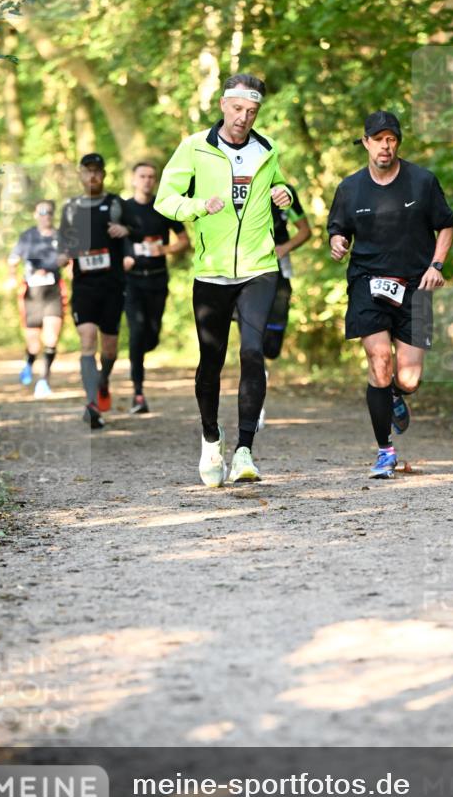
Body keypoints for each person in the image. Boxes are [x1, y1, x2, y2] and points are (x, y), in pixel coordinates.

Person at [155, 73, 291, 487]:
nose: (243, 118)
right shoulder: (194, 147)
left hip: (259, 267)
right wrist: (198, 206)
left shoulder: (266, 150)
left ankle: (245, 451)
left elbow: (278, 183)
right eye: (237, 109)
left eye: (252, 112)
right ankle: (211, 438)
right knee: (211, 360)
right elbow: (166, 199)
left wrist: (282, 192)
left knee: (253, 352)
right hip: (211, 271)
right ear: (223, 105)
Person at [328, 110, 453, 478]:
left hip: (415, 285)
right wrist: (337, 242)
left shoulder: (422, 182)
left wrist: (437, 265)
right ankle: (385, 451)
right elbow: (339, 230)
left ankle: (395, 394)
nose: (385, 145)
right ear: (365, 142)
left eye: (391, 139)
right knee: (379, 359)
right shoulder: (350, 188)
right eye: (378, 139)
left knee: (409, 378)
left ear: (397, 142)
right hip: (368, 283)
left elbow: (445, 226)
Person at [58, 153, 130, 429]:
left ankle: (104, 380)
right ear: (80, 174)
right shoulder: (71, 207)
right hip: (84, 285)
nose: (93, 176)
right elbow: (63, 241)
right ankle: (91, 403)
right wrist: (63, 255)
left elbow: (135, 231)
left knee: (109, 348)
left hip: (113, 285)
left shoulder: (116, 204)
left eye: (97, 171)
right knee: (87, 340)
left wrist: (125, 230)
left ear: (104, 174)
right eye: (88, 171)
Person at [235, 183, 310, 429]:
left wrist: (284, 248)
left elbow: (304, 230)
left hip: (279, 275)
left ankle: (261, 372)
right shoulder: (235, 185)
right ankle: (255, 405)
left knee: (271, 347)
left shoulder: (284, 191)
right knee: (251, 345)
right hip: (243, 275)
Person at [122, 161, 189, 414]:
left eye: (152, 176)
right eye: (143, 176)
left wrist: (165, 249)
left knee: (151, 336)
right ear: (133, 179)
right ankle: (138, 392)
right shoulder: (123, 209)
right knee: (137, 332)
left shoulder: (164, 207)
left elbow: (184, 241)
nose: (147, 180)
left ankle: (144, 347)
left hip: (158, 280)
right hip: (133, 282)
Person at [6, 200, 67, 399]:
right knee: (34, 343)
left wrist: (67, 262)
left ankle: (44, 381)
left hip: (53, 292)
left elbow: (70, 259)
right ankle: (29, 362)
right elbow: (13, 260)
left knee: (51, 338)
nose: (45, 215)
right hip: (31, 294)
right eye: (41, 211)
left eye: (49, 211)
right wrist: (11, 278)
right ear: (35, 214)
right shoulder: (28, 236)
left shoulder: (61, 236)